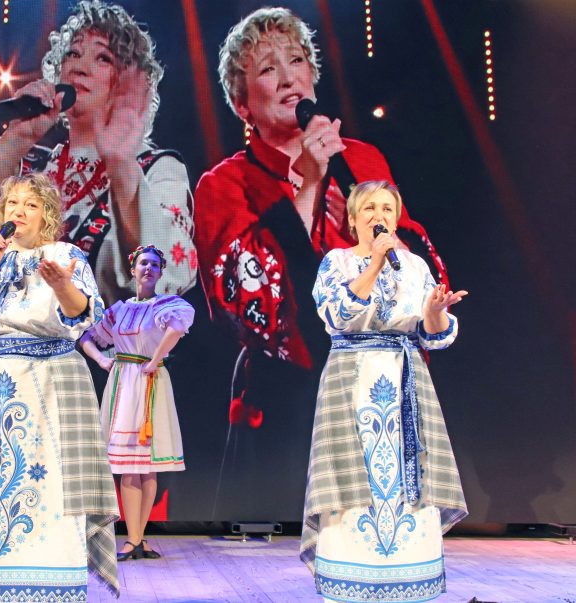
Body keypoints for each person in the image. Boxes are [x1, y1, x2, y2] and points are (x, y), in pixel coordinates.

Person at [192, 6, 450, 518]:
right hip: (289, 398)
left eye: (297, 61)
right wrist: (307, 184)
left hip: (378, 382)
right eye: (268, 69)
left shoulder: (361, 159)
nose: (289, 78)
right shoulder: (224, 184)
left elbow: (413, 269)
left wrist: (384, 245)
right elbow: (245, 304)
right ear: (242, 105)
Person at [0, 0, 196, 305]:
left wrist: (121, 166)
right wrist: (17, 138)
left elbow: (165, 274)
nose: (80, 67)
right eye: (73, 54)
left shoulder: (156, 168)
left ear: (130, 84)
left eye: (103, 58)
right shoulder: (30, 164)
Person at [0, 173, 120, 600]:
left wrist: (62, 285)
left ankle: (52, 582)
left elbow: (84, 316)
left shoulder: (63, 254)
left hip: (49, 382)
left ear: (47, 215)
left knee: (48, 482)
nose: (18, 211)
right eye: (13, 203)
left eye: (31, 204)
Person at [300, 181, 468, 601]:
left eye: (388, 209)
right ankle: (350, 580)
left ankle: (408, 579)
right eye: (370, 208)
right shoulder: (337, 261)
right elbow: (337, 313)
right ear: (353, 219)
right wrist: (374, 262)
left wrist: (434, 313)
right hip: (351, 379)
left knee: (410, 474)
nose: (380, 216)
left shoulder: (415, 266)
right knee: (352, 476)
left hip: (406, 379)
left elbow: (434, 337)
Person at [80, 244, 194, 560]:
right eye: (144, 263)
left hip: (150, 380)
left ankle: (138, 539)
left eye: (155, 265)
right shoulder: (119, 310)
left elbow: (176, 329)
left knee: (147, 468)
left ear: (161, 272)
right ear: (133, 270)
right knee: (129, 466)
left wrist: (155, 360)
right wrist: (102, 360)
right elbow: (87, 337)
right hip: (124, 383)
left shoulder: (168, 305)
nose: (149, 268)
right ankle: (133, 539)